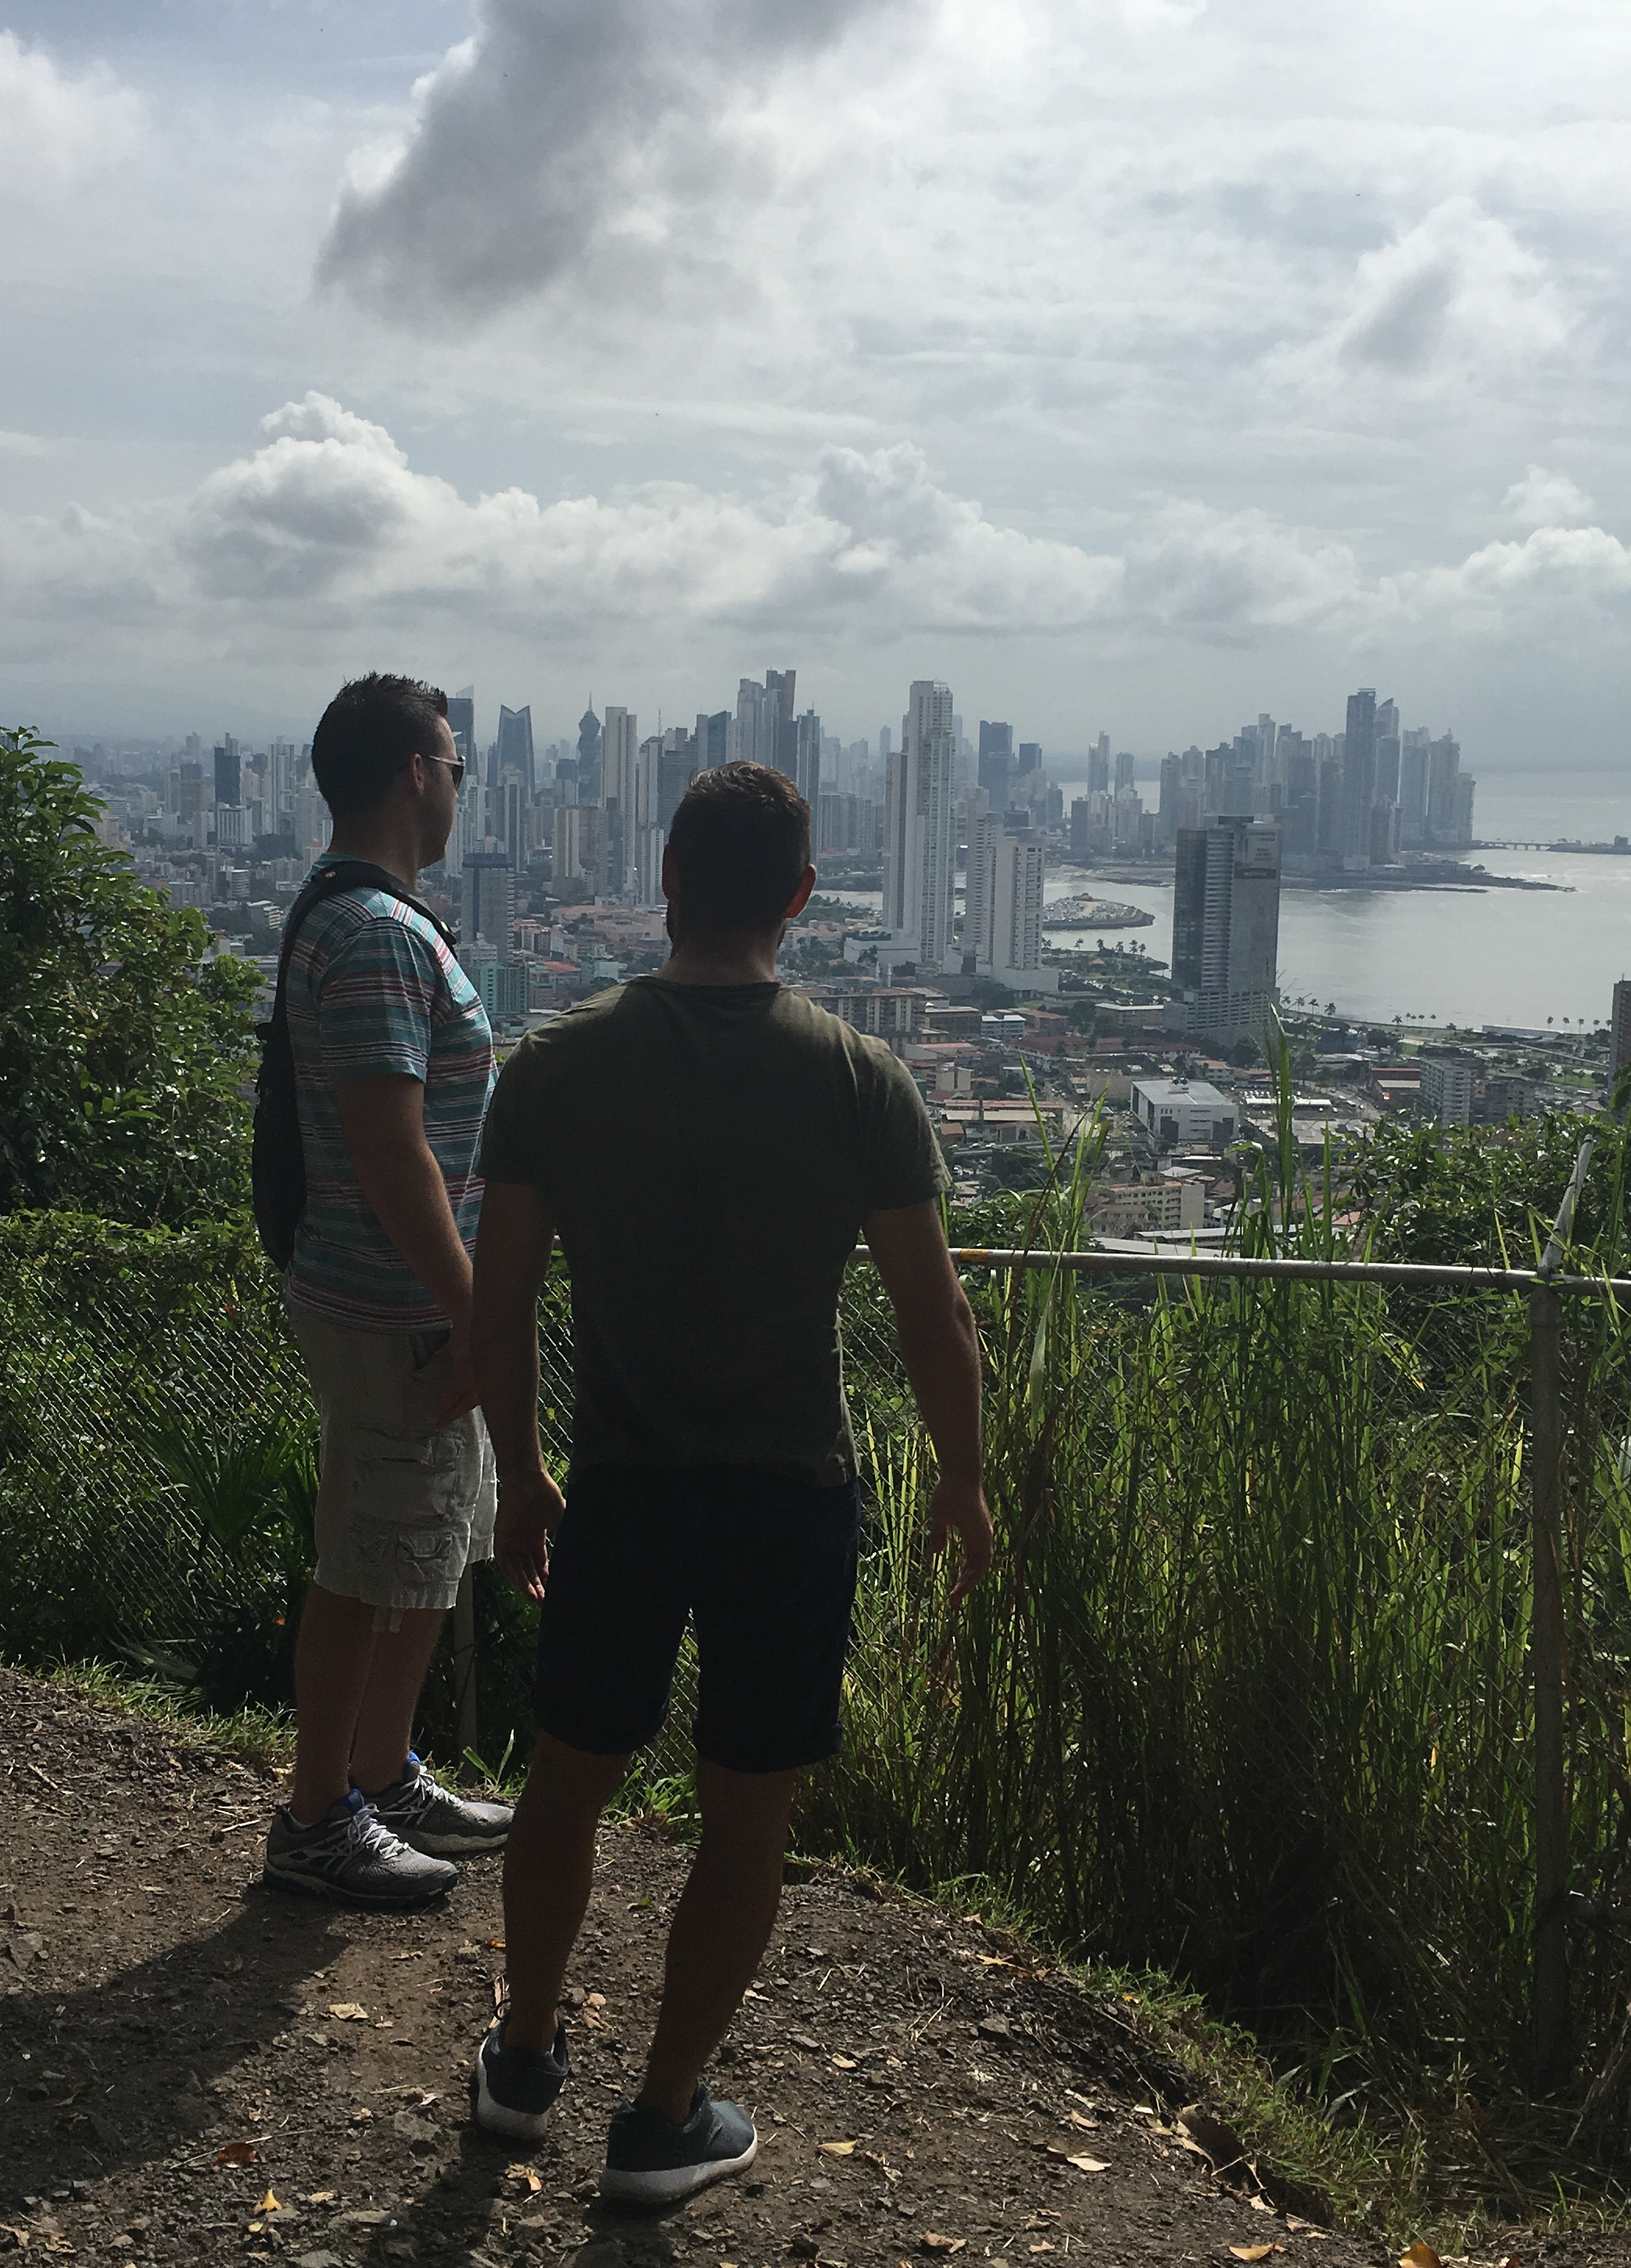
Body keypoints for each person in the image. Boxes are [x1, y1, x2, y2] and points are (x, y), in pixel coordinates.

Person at [464, 761, 994, 2204]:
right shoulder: (854, 1076)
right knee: (745, 1816)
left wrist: (522, 1472)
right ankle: (664, 2117)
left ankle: (520, 2064)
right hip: (788, 1499)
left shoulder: (559, 1067)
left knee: (569, 1782)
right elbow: (933, 1317)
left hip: (619, 1490)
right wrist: (961, 1481)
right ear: (803, 901)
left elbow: (495, 1307)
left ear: (668, 882)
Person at [260, 673, 514, 1909]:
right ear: (416, 772)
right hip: (393, 1307)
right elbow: (387, 1148)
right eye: (456, 765)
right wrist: (476, 1309)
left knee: (426, 1543)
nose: (463, 786)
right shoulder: (369, 932)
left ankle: (381, 1771)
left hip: (407, 1299)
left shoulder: (380, 918)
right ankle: (315, 1816)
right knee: (369, 1555)